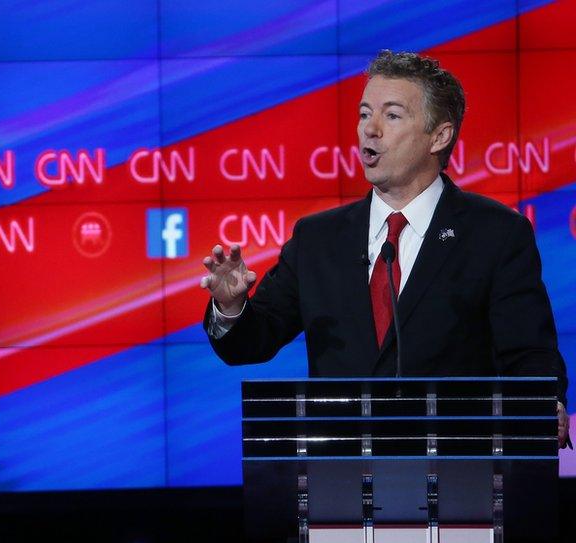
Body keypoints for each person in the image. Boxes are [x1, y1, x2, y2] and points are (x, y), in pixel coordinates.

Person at [200, 50, 570, 447]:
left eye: (391, 115)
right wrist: (232, 308)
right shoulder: (317, 240)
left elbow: (529, 353)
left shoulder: (495, 234)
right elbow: (250, 343)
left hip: (456, 467)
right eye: (364, 114)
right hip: (341, 472)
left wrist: (546, 402)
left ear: (439, 136)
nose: (369, 130)